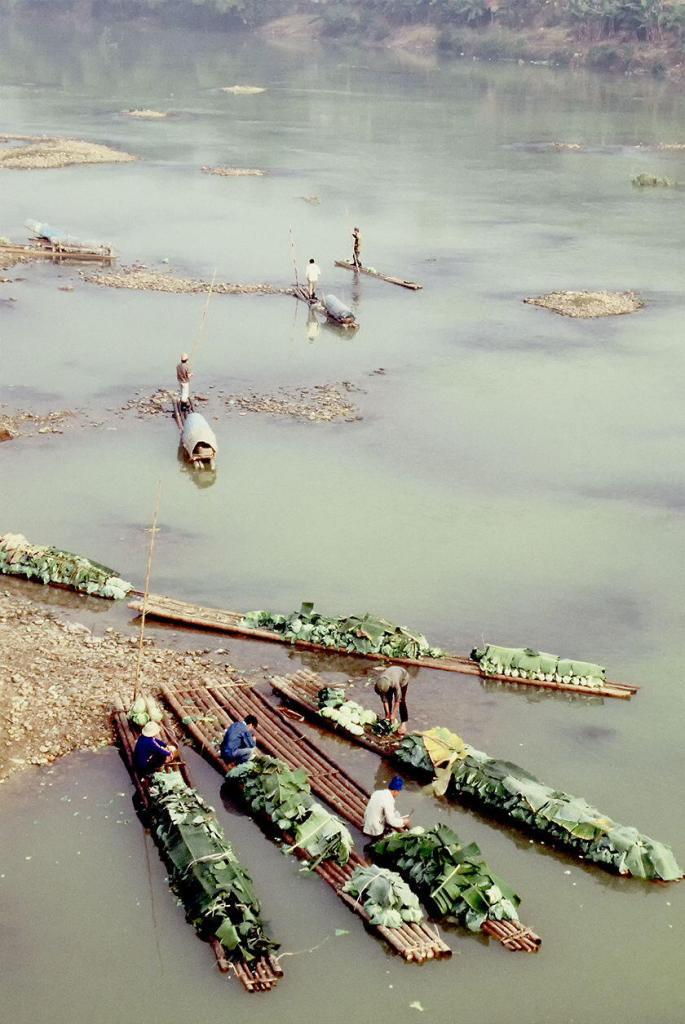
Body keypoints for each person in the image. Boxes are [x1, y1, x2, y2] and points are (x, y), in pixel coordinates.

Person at [373, 665, 410, 736]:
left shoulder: (395, 684)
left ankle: (403, 724)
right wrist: (388, 714)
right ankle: (389, 720)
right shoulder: (380, 684)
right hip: (389, 678)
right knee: (388, 698)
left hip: (403, 678)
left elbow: (398, 700)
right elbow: (384, 700)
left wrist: (394, 714)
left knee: (402, 701)